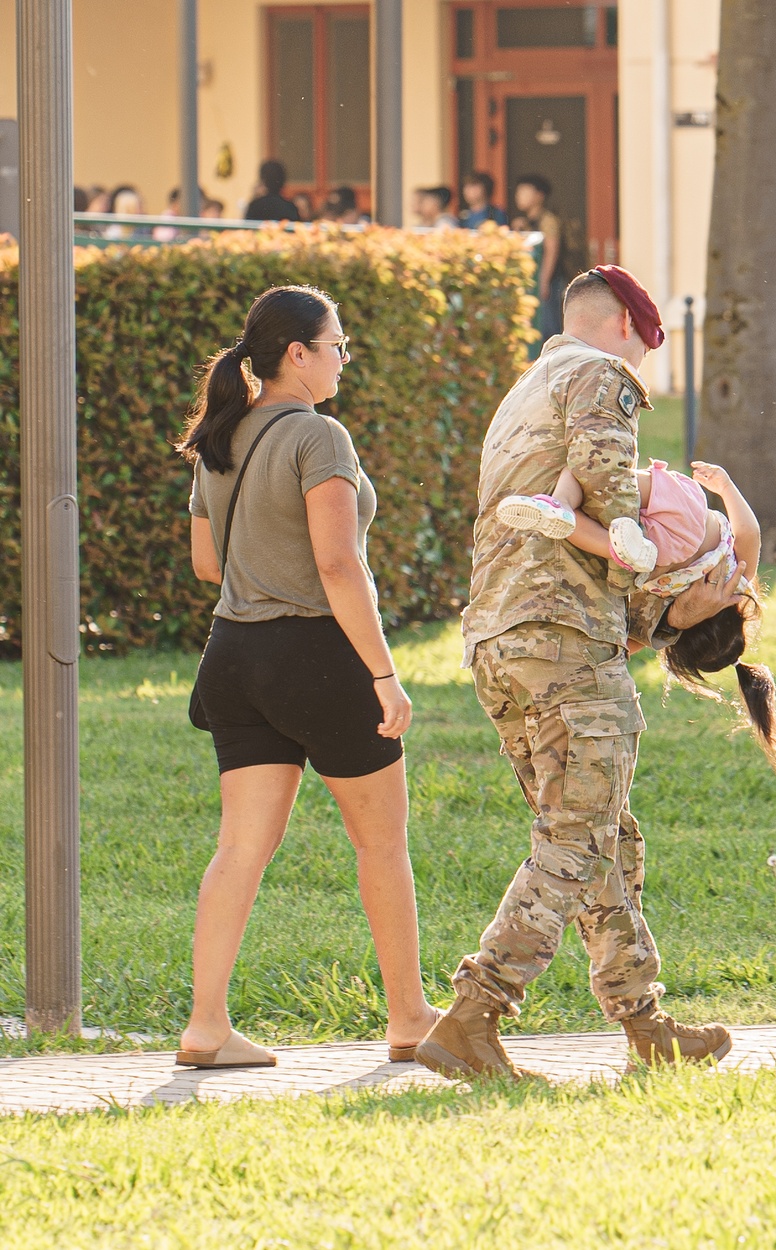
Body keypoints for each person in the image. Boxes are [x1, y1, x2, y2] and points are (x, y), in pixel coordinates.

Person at [415, 265, 738, 1080]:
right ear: (627, 327)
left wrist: (664, 618)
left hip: (502, 640)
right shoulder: (600, 375)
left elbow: (553, 539)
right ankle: (473, 1014)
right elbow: (604, 477)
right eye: (648, 349)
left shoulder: (523, 392)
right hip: (561, 639)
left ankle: (644, 1024)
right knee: (575, 834)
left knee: (603, 836)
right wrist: (651, 557)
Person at [175, 284, 438, 1069]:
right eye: (337, 345)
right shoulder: (320, 438)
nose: (344, 358)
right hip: (318, 659)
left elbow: (206, 563)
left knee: (240, 849)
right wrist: (384, 675)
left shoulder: (222, 434)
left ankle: (206, 1027)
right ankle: (410, 1017)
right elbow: (336, 562)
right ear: (298, 354)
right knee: (381, 843)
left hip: (233, 657)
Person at [496, 456, 776, 773]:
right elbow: (618, 649)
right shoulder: (670, 620)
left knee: (603, 474)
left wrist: (725, 486)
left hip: (684, 518)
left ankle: (563, 501)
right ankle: (577, 522)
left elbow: (750, 531)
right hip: (653, 559)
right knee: (603, 543)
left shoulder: (739, 583)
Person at [511, 174, 563, 342]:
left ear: (539, 196)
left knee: (547, 326)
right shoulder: (525, 221)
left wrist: (544, 281)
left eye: (525, 191)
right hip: (534, 282)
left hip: (548, 282)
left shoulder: (547, 220)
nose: (519, 195)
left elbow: (551, 251)